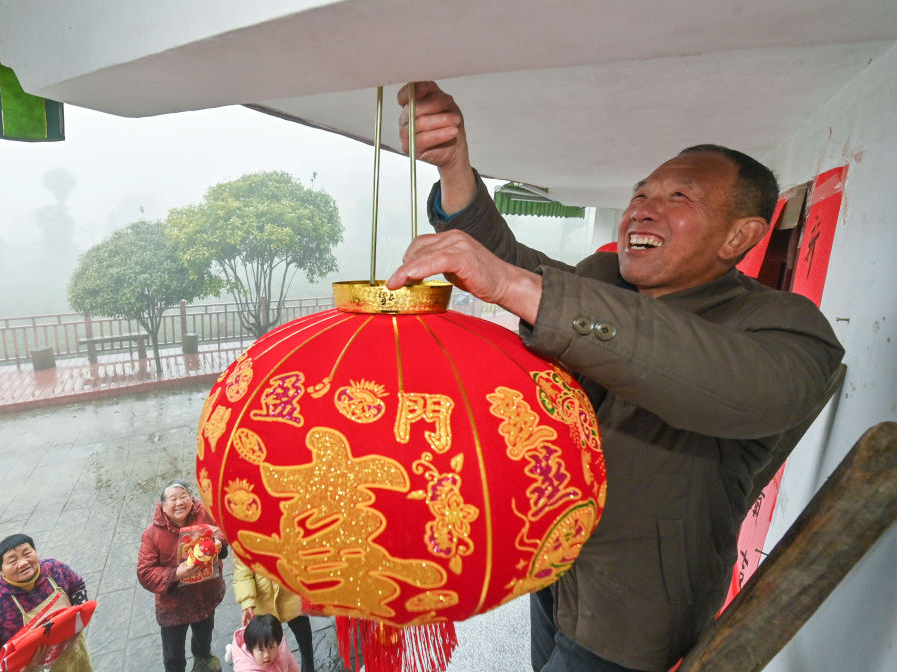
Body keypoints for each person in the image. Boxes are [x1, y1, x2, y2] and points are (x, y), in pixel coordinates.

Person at [387, 81, 844, 672]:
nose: (642, 210)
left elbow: (741, 387)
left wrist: (513, 285)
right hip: (555, 567)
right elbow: (509, 262)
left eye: (679, 196)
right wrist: (454, 166)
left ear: (740, 236)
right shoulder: (606, 279)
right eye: (640, 193)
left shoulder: (785, 328)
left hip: (633, 613)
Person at [0, 534, 94, 672]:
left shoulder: (54, 569)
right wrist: (21, 666)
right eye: (13, 561)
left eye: (27, 554)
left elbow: (78, 587)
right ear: (0, 570)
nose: (23, 563)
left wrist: (77, 622)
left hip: (76, 657)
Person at [138, 479, 228, 672]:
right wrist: (176, 573)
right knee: (173, 653)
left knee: (204, 636)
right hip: (174, 605)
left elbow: (223, 531)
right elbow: (145, 573)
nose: (179, 502)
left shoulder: (204, 513)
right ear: (163, 506)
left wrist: (219, 543)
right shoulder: (152, 534)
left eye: (183, 496)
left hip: (205, 595)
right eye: (173, 499)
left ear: (191, 498)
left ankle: (203, 660)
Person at [233, 555, 315, 672]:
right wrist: (247, 601)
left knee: (304, 638)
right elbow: (242, 572)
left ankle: (308, 666)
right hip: (264, 602)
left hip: (293, 597)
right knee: (266, 644)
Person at [226, 613, 300, 672]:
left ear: (278, 643)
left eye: (271, 647)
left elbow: (291, 665)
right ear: (250, 649)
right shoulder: (247, 669)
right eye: (261, 650)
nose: (266, 655)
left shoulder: (281, 648)